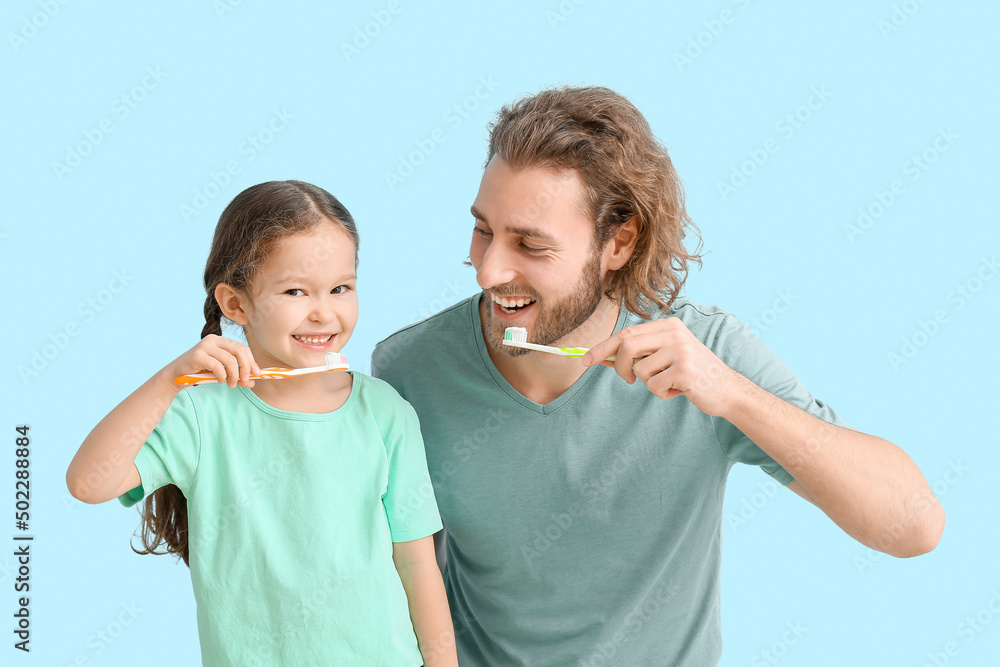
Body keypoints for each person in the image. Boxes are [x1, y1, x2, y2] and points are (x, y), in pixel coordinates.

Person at [370, 87, 946, 666]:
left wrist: (734, 397)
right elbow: (406, 581)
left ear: (618, 242)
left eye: (531, 245)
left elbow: (914, 526)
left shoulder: (707, 354)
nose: (490, 269)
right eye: (483, 231)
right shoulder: (410, 372)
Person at [66, 180, 459, 666]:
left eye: (340, 288)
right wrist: (170, 378)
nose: (323, 311)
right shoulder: (201, 414)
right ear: (236, 305)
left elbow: (417, 563)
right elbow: (88, 483)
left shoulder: (386, 412)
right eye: (295, 290)